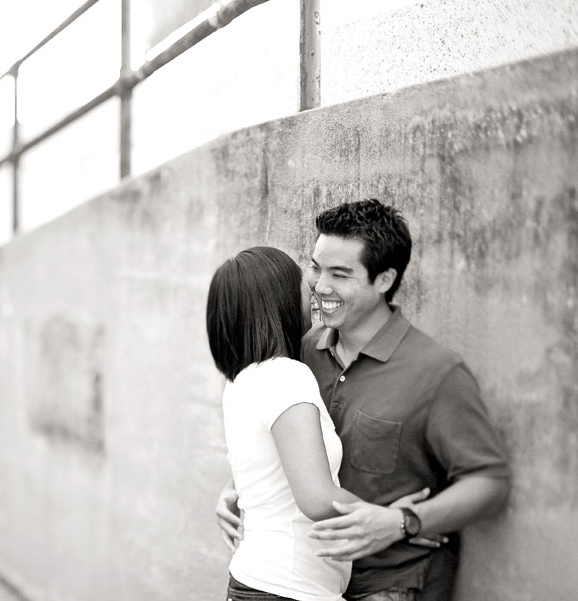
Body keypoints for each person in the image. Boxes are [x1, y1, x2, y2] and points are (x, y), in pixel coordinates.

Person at [216, 199, 510, 601]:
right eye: (317, 268)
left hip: (393, 585)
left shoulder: (436, 372)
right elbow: (278, 441)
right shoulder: (299, 354)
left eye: (340, 274)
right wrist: (238, 488)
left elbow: (489, 481)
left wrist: (405, 521)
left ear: (384, 279)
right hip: (305, 584)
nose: (320, 287)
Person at [207, 246, 401, 601]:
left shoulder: (241, 379)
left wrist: (232, 490)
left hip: (258, 581)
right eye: (303, 278)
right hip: (287, 588)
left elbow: (267, 466)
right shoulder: (287, 375)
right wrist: (400, 523)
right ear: (275, 299)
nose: (312, 287)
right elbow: (316, 498)